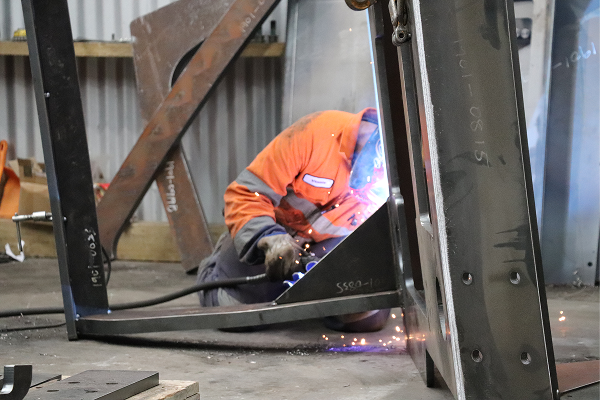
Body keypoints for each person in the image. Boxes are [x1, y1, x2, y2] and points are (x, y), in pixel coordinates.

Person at [196, 107, 390, 332]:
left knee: (365, 317)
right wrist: (266, 237)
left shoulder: (389, 177)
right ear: (379, 144)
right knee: (234, 314)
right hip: (274, 234)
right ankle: (216, 267)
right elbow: (247, 194)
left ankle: (315, 299)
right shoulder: (317, 133)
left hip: (326, 245)